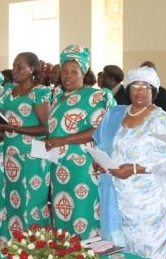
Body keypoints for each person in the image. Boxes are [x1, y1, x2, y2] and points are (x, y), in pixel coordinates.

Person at [93, 66, 166, 258]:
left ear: (153, 91)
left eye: (145, 87)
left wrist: (134, 168)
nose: (140, 91)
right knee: (122, 250)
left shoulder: (163, 120)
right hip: (118, 197)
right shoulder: (117, 114)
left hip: (149, 202)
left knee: (147, 249)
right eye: (135, 86)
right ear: (128, 89)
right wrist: (101, 162)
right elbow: (103, 145)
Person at [46, 44, 109, 239]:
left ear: (84, 72)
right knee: (62, 215)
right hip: (59, 166)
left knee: (82, 212)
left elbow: (98, 130)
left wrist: (63, 140)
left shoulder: (96, 96)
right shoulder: (58, 96)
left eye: (74, 71)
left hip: (83, 167)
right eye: (64, 71)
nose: (68, 75)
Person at [0, 52, 52, 240]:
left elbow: (45, 128)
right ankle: (13, 242)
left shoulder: (39, 92)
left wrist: (14, 128)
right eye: (13, 66)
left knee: (31, 201)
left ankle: (34, 243)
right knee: (12, 199)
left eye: (19, 67)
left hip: (31, 156)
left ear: (32, 70)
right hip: (10, 152)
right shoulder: (8, 91)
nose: (15, 71)